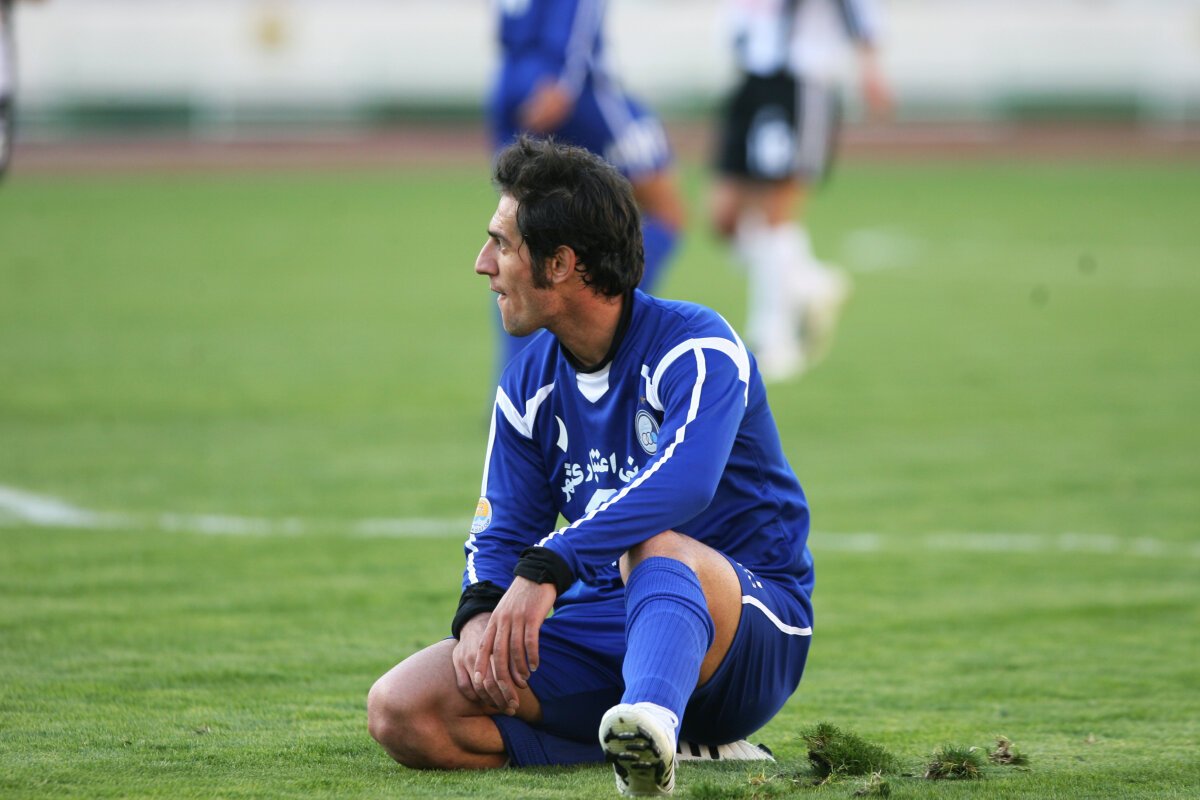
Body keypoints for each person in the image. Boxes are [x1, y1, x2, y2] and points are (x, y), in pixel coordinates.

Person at [368, 137, 815, 798]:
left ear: (560, 264)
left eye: (501, 244)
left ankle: (656, 719)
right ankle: (663, 746)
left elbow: (685, 483)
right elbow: (502, 530)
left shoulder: (697, 347)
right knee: (403, 710)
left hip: (746, 633)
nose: (482, 264)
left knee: (654, 544)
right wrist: (481, 616)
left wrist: (552, 563)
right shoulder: (529, 385)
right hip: (606, 623)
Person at [487, 0, 686, 368]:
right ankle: (608, 330)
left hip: (511, 82)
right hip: (574, 91)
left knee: (522, 235)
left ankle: (520, 378)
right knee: (665, 213)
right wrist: (563, 81)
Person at [711, 0, 892, 381]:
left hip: (801, 77)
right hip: (753, 77)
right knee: (724, 218)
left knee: (777, 211)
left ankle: (774, 341)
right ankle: (809, 282)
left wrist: (870, 67)